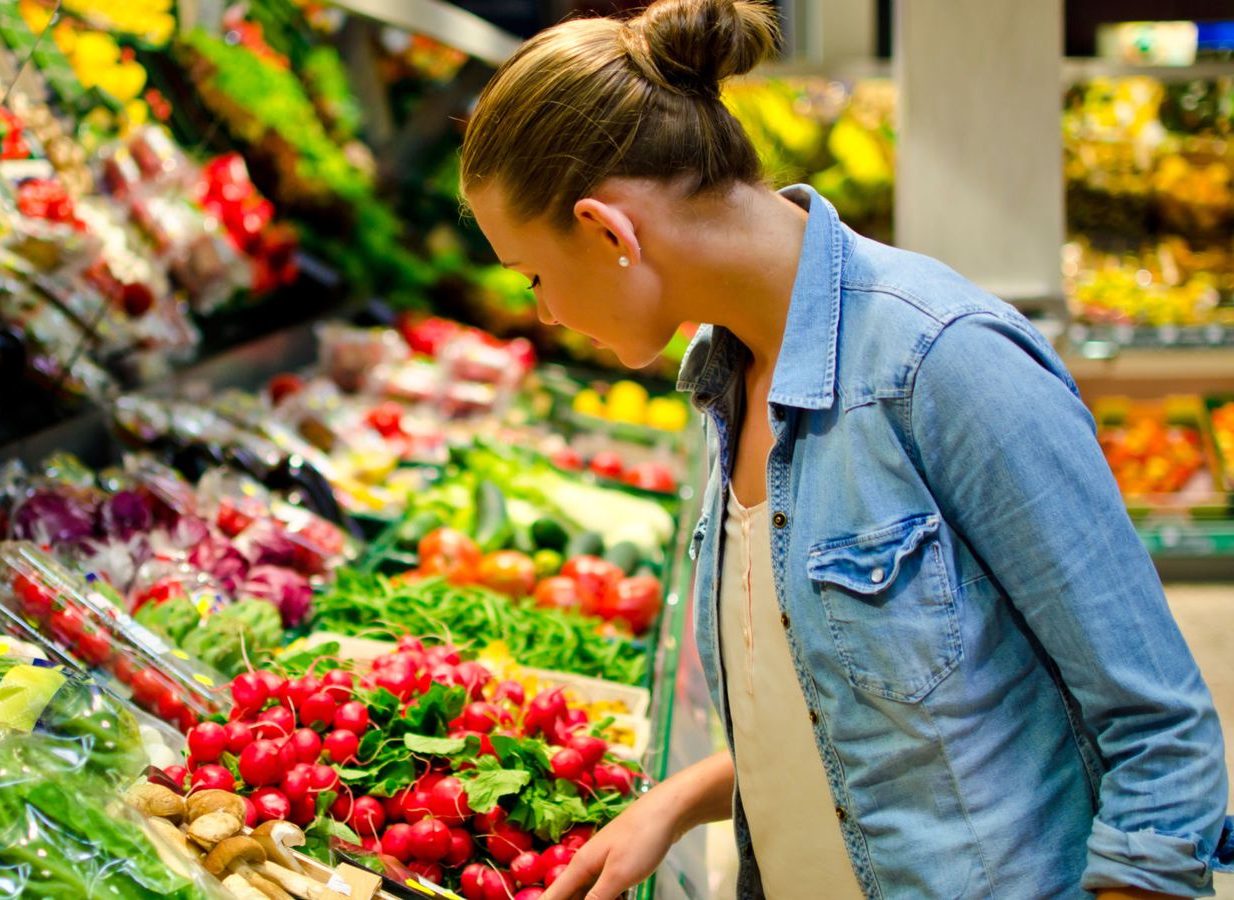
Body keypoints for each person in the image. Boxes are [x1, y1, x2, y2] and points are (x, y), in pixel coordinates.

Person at [458, 0, 1234, 897]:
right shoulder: (730, 378)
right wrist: (672, 802)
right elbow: (850, 707)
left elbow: (1160, 736)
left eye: (536, 277)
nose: (544, 312)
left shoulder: (944, 362)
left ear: (608, 232)